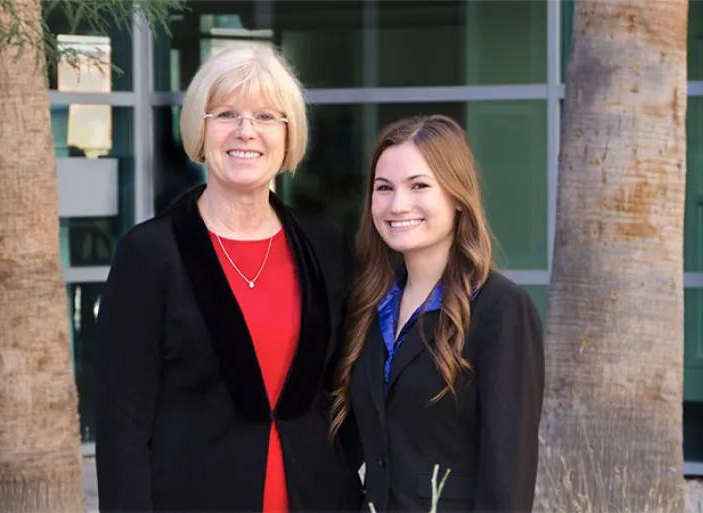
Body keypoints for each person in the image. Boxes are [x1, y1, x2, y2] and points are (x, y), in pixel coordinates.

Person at [94, 45, 363, 512]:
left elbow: (345, 384)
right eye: (226, 115)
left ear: (287, 134)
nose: (246, 131)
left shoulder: (323, 244)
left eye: (265, 116)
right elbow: (123, 423)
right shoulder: (149, 254)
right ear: (200, 129)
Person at [329, 115, 546, 512]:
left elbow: (507, 480)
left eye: (419, 186)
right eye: (384, 188)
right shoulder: (369, 306)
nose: (398, 204)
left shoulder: (501, 310)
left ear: (457, 196)